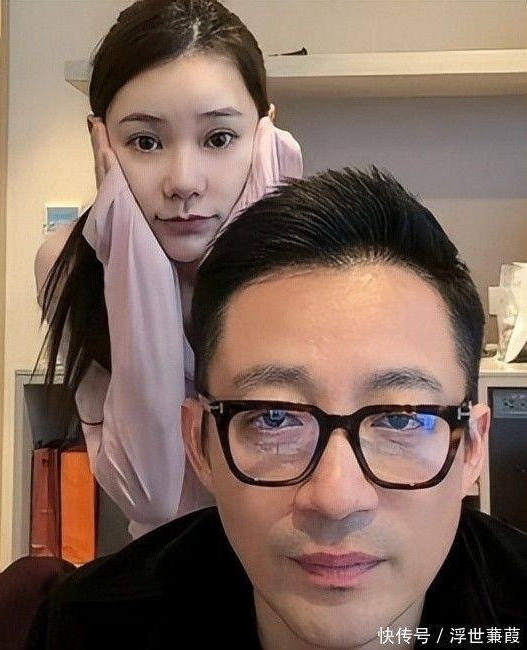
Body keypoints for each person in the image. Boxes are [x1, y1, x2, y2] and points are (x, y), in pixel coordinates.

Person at [27, 168, 526, 649]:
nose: (335, 498)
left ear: (471, 450)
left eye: (399, 419)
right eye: (274, 418)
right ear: (200, 443)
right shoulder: (89, 630)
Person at [35, 0, 303, 537]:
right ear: (100, 140)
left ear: (265, 135)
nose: (183, 181)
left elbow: (287, 466)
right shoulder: (67, 263)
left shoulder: (320, 255)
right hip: (165, 565)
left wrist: (268, 245)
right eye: (145, 142)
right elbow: (153, 493)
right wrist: (129, 255)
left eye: (219, 139)